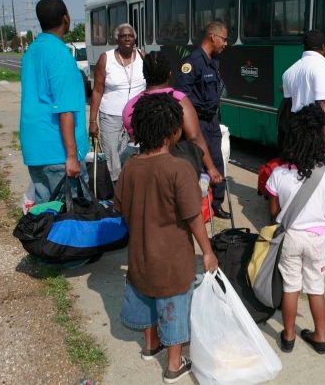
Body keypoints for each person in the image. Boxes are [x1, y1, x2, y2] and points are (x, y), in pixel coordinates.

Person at [115, 93, 218, 384]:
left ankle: (150, 346)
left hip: (139, 256)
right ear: (173, 131)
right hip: (173, 260)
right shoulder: (179, 169)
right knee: (173, 306)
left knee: (145, 294)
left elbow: (121, 208)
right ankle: (174, 364)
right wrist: (207, 252)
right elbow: (193, 216)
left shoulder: (130, 167)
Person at [266, 104, 325, 355]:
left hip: (291, 238)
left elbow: (275, 214)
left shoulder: (278, 173)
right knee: (316, 288)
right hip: (317, 239)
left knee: (291, 287)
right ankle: (320, 336)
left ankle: (288, 336)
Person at [20, 0, 89, 203]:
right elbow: (64, 109)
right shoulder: (60, 54)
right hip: (58, 152)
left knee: (47, 215)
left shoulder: (32, 51)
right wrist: (71, 156)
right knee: (72, 220)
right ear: (65, 18)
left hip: (35, 149)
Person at [122, 50, 222, 184]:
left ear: (144, 74)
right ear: (170, 73)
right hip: (180, 168)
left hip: (145, 170)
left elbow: (134, 139)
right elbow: (195, 136)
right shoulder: (180, 100)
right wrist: (211, 168)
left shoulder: (131, 105)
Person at [174, 21, 231, 219]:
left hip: (212, 120)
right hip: (197, 123)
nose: (225, 43)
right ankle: (195, 206)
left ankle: (217, 203)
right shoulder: (193, 62)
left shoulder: (214, 61)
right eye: (224, 39)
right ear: (212, 36)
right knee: (195, 165)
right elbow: (181, 97)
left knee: (217, 161)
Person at [89, 23, 146, 182]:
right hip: (111, 117)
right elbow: (97, 90)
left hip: (136, 116)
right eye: (123, 36)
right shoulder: (106, 59)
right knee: (112, 156)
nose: (127, 38)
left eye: (130, 35)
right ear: (117, 39)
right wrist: (93, 120)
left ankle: (133, 185)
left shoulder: (142, 56)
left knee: (137, 153)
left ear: (135, 38)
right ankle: (116, 191)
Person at [280, 30, 325, 158]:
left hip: (297, 130)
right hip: (319, 130)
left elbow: (287, 107)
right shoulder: (323, 67)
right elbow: (323, 104)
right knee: (323, 172)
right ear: (323, 47)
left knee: (300, 168)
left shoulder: (289, 72)